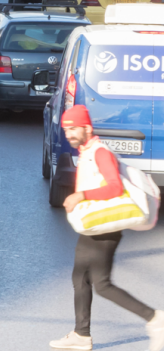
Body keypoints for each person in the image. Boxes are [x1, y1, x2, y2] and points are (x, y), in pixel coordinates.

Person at [51, 105, 164, 351]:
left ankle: (156, 319)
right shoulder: (87, 151)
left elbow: (115, 187)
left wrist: (81, 195)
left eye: (73, 129)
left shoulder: (101, 152)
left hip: (105, 228)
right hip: (94, 225)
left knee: (101, 284)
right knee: (80, 277)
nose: (69, 134)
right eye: (66, 130)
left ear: (87, 128)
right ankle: (81, 335)